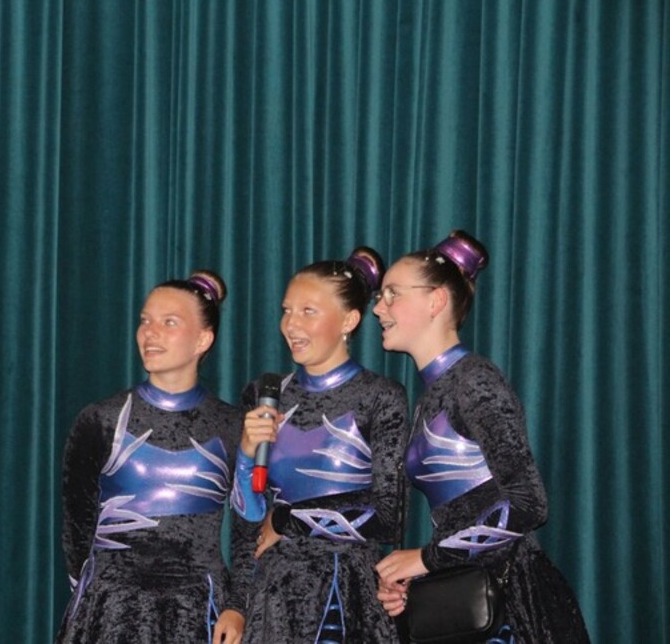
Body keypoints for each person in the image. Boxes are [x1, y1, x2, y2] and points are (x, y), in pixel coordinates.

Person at [373, 230, 590, 642]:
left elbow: (528, 503)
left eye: (392, 294)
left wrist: (427, 559)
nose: (378, 308)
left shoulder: (474, 381)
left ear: (436, 301)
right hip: (467, 595)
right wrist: (416, 577)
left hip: (510, 603)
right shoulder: (433, 393)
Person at [56, 270, 250, 644]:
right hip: (111, 612)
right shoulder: (100, 420)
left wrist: (238, 606)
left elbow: (247, 531)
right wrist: (92, 604)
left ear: (203, 339)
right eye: (145, 321)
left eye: (169, 322)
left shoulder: (232, 425)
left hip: (198, 613)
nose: (150, 332)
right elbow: (76, 530)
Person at [230, 248, 410, 643]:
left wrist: (288, 519)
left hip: (346, 593)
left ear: (349, 320)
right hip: (274, 597)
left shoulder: (380, 396)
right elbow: (249, 520)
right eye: (287, 311)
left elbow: (387, 514)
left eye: (308, 311)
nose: (291, 324)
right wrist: (245, 456)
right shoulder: (265, 394)